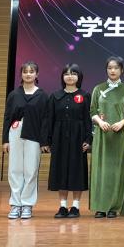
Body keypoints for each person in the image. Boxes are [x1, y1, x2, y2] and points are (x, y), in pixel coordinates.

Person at [2, 60, 47, 220]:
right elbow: (7, 117)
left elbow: (45, 120)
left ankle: (27, 204)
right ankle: (15, 204)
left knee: (31, 169)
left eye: (31, 71)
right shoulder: (14, 94)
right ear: (21, 74)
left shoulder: (42, 95)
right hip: (15, 132)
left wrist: (44, 141)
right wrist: (5, 140)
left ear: (37, 74)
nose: (28, 74)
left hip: (34, 134)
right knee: (14, 169)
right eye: (25, 71)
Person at [44, 63, 91, 217]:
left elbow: (88, 119)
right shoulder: (55, 96)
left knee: (77, 170)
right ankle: (63, 206)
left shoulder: (85, 95)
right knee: (60, 169)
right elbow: (49, 119)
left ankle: (75, 206)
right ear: (62, 77)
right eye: (67, 73)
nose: (70, 76)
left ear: (79, 77)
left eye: (73, 73)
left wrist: (88, 139)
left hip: (78, 137)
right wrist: (47, 141)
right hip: (59, 138)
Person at [89, 56, 124, 218]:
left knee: (116, 171)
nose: (112, 71)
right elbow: (92, 111)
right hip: (101, 137)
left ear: (122, 70)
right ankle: (100, 207)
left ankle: (114, 206)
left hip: (118, 136)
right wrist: (100, 122)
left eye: (116, 68)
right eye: (110, 68)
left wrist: (122, 123)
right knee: (100, 171)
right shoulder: (98, 89)